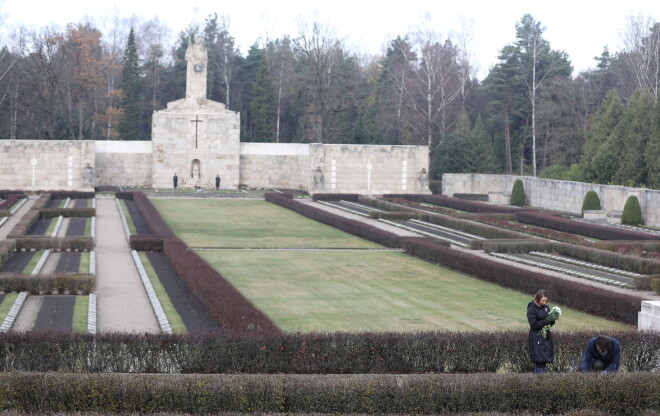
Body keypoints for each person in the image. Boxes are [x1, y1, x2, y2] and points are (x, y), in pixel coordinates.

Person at [527, 289, 555, 374]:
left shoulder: (546, 307)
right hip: (536, 336)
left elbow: (549, 323)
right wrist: (546, 320)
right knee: (539, 360)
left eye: (546, 301)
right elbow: (533, 325)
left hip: (545, 336)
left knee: (544, 361)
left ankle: (541, 380)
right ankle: (538, 381)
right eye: (542, 300)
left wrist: (553, 319)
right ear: (537, 299)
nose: (544, 302)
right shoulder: (532, 308)